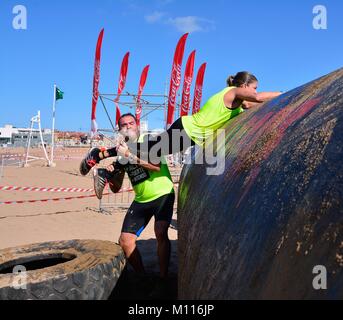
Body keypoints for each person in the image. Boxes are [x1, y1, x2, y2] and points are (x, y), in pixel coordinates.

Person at [80, 71, 282, 175]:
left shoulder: (239, 102)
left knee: (146, 151)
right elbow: (259, 98)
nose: (255, 91)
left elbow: (251, 105)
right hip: (187, 130)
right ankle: (100, 153)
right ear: (244, 85)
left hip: (190, 134)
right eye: (254, 87)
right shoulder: (232, 92)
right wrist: (284, 94)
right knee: (146, 150)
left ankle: (110, 165)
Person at [91, 113, 175, 296]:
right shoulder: (121, 152)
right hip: (141, 199)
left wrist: (129, 155)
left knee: (160, 232)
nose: (128, 126)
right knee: (125, 241)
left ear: (137, 125)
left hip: (163, 194)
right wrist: (112, 175)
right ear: (119, 129)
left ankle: (163, 279)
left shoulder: (149, 141)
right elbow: (116, 189)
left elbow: (156, 167)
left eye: (131, 123)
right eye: (123, 125)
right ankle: (143, 278)